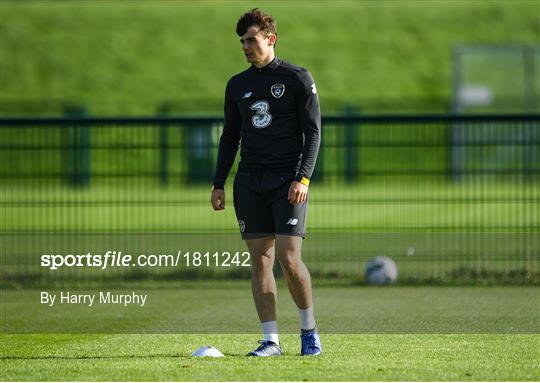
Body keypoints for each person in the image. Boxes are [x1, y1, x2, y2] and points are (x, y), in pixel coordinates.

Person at [210, 8, 321, 357]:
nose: (245, 46)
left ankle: (309, 333)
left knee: (289, 259)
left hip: (287, 181)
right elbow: (229, 138)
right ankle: (270, 340)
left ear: (270, 39)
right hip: (249, 182)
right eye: (242, 41)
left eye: (251, 40)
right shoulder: (237, 85)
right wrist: (218, 183)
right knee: (260, 260)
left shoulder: (297, 78)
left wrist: (303, 177)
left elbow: (313, 132)